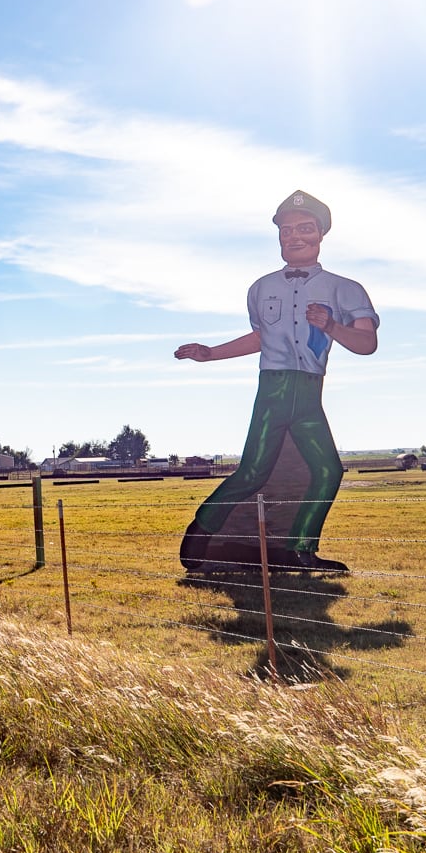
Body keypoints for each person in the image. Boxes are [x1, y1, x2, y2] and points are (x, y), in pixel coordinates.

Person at [174, 190, 379, 572]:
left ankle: (300, 549)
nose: (295, 236)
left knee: (328, 470)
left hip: (309, 393)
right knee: (253, 471)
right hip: (273, 389)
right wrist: (211, 353)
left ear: (321, 235)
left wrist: (332, 325)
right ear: (279, 236)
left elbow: (367, 343)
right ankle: (198, 538)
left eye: (305, 228)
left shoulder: (345, 288)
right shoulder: (260, 288)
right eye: (287, 230)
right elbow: (260, 339)